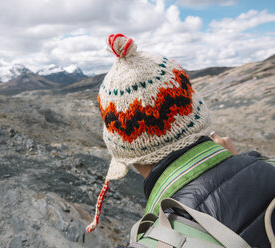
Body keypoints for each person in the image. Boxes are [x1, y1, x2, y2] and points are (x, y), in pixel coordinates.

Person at [86, 33, 275, 248]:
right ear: (195, 111)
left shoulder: (156, 241)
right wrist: (237, 166)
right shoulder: (267, 165)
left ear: (123, 149)